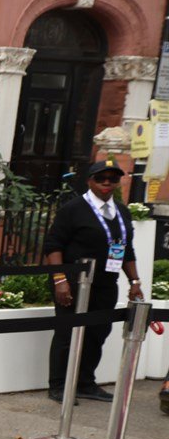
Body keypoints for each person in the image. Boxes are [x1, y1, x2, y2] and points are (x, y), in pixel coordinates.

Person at [43, 159, 144, 402]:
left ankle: (85, 383)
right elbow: (53, 246)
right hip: (74, 283)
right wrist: (60, 280)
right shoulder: (74, 208)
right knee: (67, 333)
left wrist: (135, 282)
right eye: (101, 178)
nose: (107, 183)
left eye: (113, 179)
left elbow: (125, 249)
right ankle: (58, 386)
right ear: (90, 181)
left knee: (98, 332)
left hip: (105, 282)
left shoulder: (121, 211)